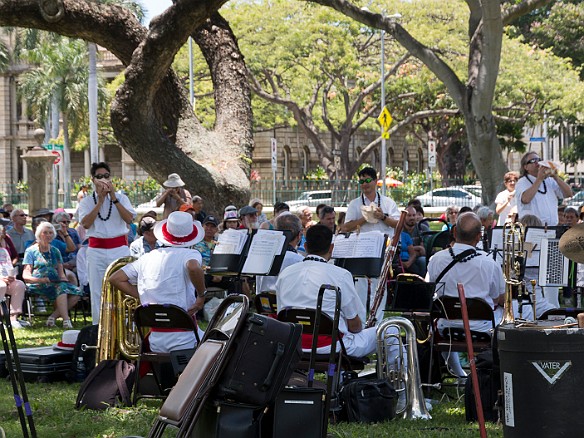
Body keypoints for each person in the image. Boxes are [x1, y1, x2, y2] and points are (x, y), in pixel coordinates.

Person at [275, 224, 402, 363]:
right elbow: (355, 327)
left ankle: (342, 380)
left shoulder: (285, 274)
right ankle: (402, 382)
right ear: (331, 248)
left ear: (305, 247)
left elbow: (282, 314)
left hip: (294, 343)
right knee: (391, 330)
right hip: (330, 346)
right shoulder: (340, 275)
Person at [109, 211, 206, 353]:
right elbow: (193, 266)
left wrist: (141, 295)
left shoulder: (146, 258)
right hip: (185, 340)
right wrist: (202, 296)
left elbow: (115, 278)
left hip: (155, 341)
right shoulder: (190, 254)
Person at [426, 212, 506, 377]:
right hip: (482, 329)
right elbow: (499, 298)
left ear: (454, 232)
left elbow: (431, 289)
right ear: (478, 237)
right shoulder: (489, 263)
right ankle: (491, 369)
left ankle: (458, 372)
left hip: (446, 327)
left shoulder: (436, 259)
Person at [78, 162, 136, 323]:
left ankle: (124, 325)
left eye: (106, 176)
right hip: (96, 250)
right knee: (97, 290)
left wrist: (114, 199)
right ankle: (99, 327)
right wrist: (100, 202)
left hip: (119, 249)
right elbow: (86, 224)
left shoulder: (122, 198)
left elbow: (130, 219)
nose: (103, 180)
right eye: (99, 177)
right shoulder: (86, 202)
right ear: (93, 180)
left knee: (123, 287)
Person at [340, 167, 401, 321]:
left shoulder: (387, 202)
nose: (365, 184)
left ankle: (377, 319)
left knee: (379, 285)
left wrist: (382, 216)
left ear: (375, 181)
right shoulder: (354, 204)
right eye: (361, 181)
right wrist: (364, 219)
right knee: (359, 285)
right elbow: (345, 227)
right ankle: (360, 319)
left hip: (382, 248)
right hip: (361, 249)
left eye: (367, 180)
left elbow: (398, 224)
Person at [22, 222, 83, 328]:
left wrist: (63, 279)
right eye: (45, 233)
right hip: (38, 283)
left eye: (50, 233)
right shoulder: (31, 251)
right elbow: (25, 275)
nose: (48, 235)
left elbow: (61, 273)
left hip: (56, 283)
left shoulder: (55, 251)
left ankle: (53, 317)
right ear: (39, 235)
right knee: (61, 288)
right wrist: (41, 280)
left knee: (77, 292)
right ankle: (66, 320)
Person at [515, 151, 572, 226]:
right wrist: (539, 179)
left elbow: (568, 194)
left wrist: (556, 177)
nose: (537, 163)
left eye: (539, 160)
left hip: (552, 227)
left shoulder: (549, 180)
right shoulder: (522, 182)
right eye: (533, 161)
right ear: (526, 167)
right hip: (533, 227)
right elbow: (525, 199)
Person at [256, 212, 304, 293]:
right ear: (299, 235)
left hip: (264, 303)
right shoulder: (300, 261)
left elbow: (259, 289)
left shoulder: (263, 258)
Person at [0, 229, 27, 329]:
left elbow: (8, 265)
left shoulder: (3, 250)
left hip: (6, 279)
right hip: (1, 280)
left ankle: (13, 318)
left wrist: (12, 276)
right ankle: (2, 317)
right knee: (1, 285)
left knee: (19, 284)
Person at [399, 206, 426, 276]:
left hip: (417, 257)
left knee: (423, 260)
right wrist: (418, 248)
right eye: (409, 215)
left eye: (414, 215)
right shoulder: (399, 229)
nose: (412, 218)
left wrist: (411, 250)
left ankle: (423, 284)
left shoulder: (422, 228)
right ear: (404, 216)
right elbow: (400, 248)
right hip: (403, 258)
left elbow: (423, 251)